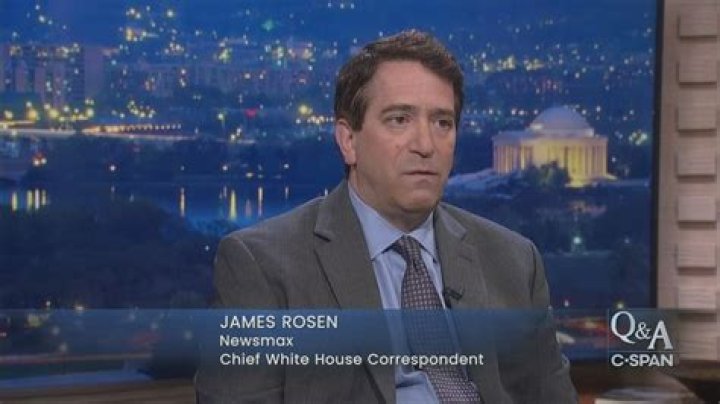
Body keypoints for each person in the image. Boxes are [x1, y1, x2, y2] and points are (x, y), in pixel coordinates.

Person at [195, 30, 577, 403]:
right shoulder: (263, 267)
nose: (425, 145)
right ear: (349, 140)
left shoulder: (514, 261)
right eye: (399, 120)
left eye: (442, 123)